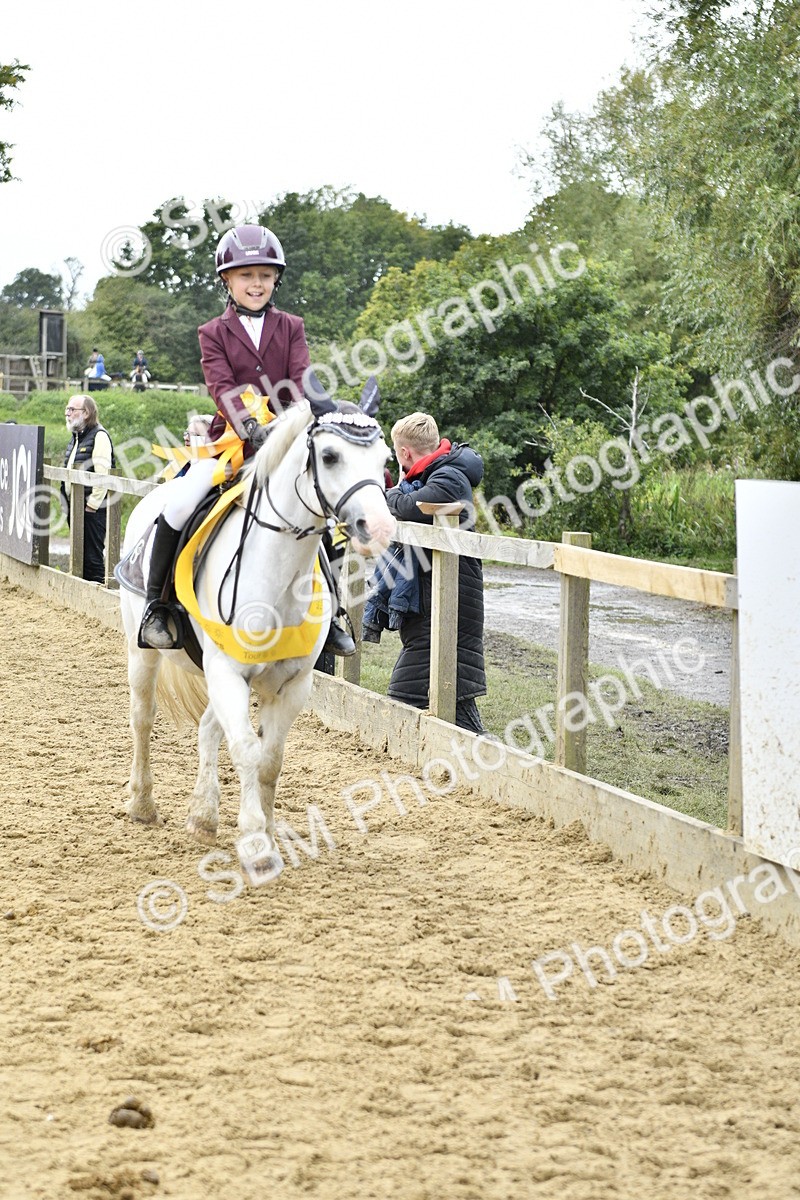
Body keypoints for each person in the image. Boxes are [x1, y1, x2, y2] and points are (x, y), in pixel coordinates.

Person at [138, 223, 354, 656]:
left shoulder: (291, 325)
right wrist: (249, 427)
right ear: (227, 280)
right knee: (181, 503)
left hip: (286, 440)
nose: (256, 284)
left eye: (264, 276)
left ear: (276, 280)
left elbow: (301, 380)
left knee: (324, 516)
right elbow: (220, 386)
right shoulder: (212, 332)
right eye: (246, 276)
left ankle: (332, 614)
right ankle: (157, 607)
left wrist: (328, 409)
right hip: (231, 443)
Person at [383, 411, 487, 733]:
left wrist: (392, 492)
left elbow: (406, 507)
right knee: (455, 702)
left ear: (404, 453)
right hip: (437, 596)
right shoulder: (441, 472)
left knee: (403, 696)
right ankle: (484, 763)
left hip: (447, 599)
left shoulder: (449, 478)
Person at [62, 394, 115, 584]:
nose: (67, 413)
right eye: (67, 409)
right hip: (75, 506)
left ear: (86, 413)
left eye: (72, 409)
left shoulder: (99, 436)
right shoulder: (76, 437)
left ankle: (99, 599)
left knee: (92, 558)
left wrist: (92, 505)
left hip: (91, 509)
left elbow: (103, 475)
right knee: (78, 555)